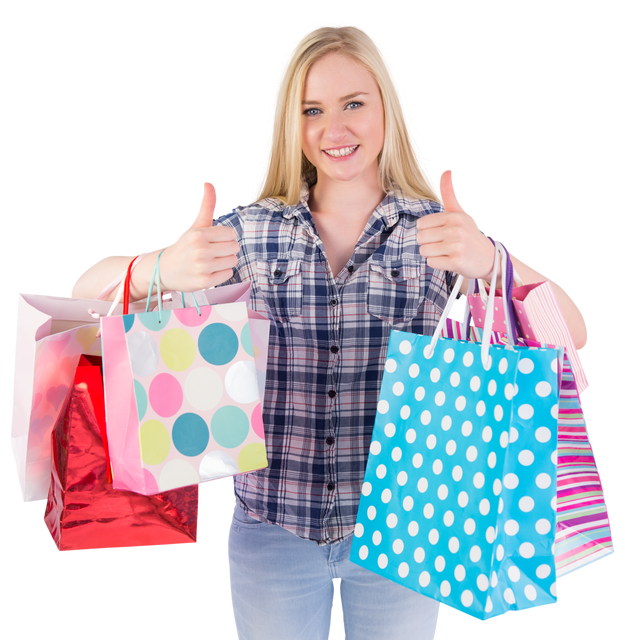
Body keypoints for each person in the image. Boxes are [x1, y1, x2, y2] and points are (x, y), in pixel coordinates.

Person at [69, 17, 590, 640]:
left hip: (404, 537)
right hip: (270, 531)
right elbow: (80, 303)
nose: (334, 129)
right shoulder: (251, 231)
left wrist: (493, 263)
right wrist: (160, 267)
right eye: (313, 109)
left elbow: (573, 334)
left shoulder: (439, 232)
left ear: (388, 110)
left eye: (353, 103)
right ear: (293, 122)